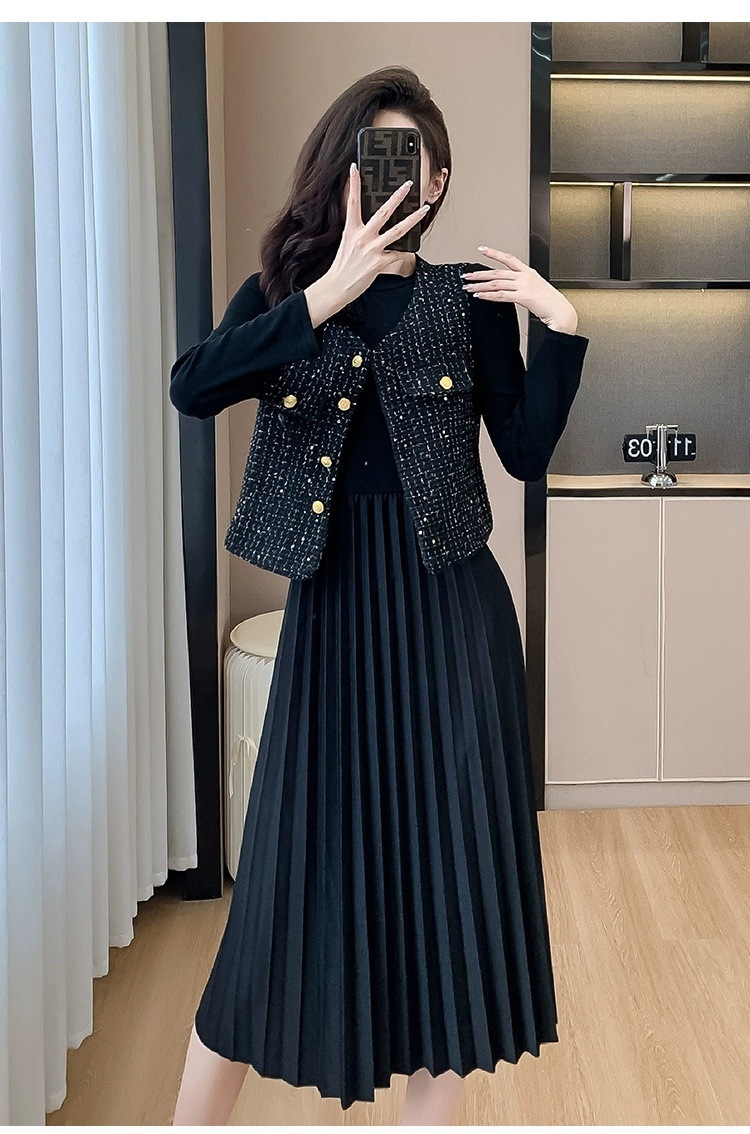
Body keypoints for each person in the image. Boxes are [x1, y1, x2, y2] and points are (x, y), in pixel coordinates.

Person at [169, 65, 589, 1126]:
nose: (391, 176)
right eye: (372, 154)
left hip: (454, 621)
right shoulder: (282, 293)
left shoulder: (466, 303)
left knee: (450, 910)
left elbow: (524, 452)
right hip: (335, 623)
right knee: (276, 904)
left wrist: (561, 324)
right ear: (342, 168)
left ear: (437, 181)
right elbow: (193, 386)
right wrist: (325, 294)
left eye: (411, 161)